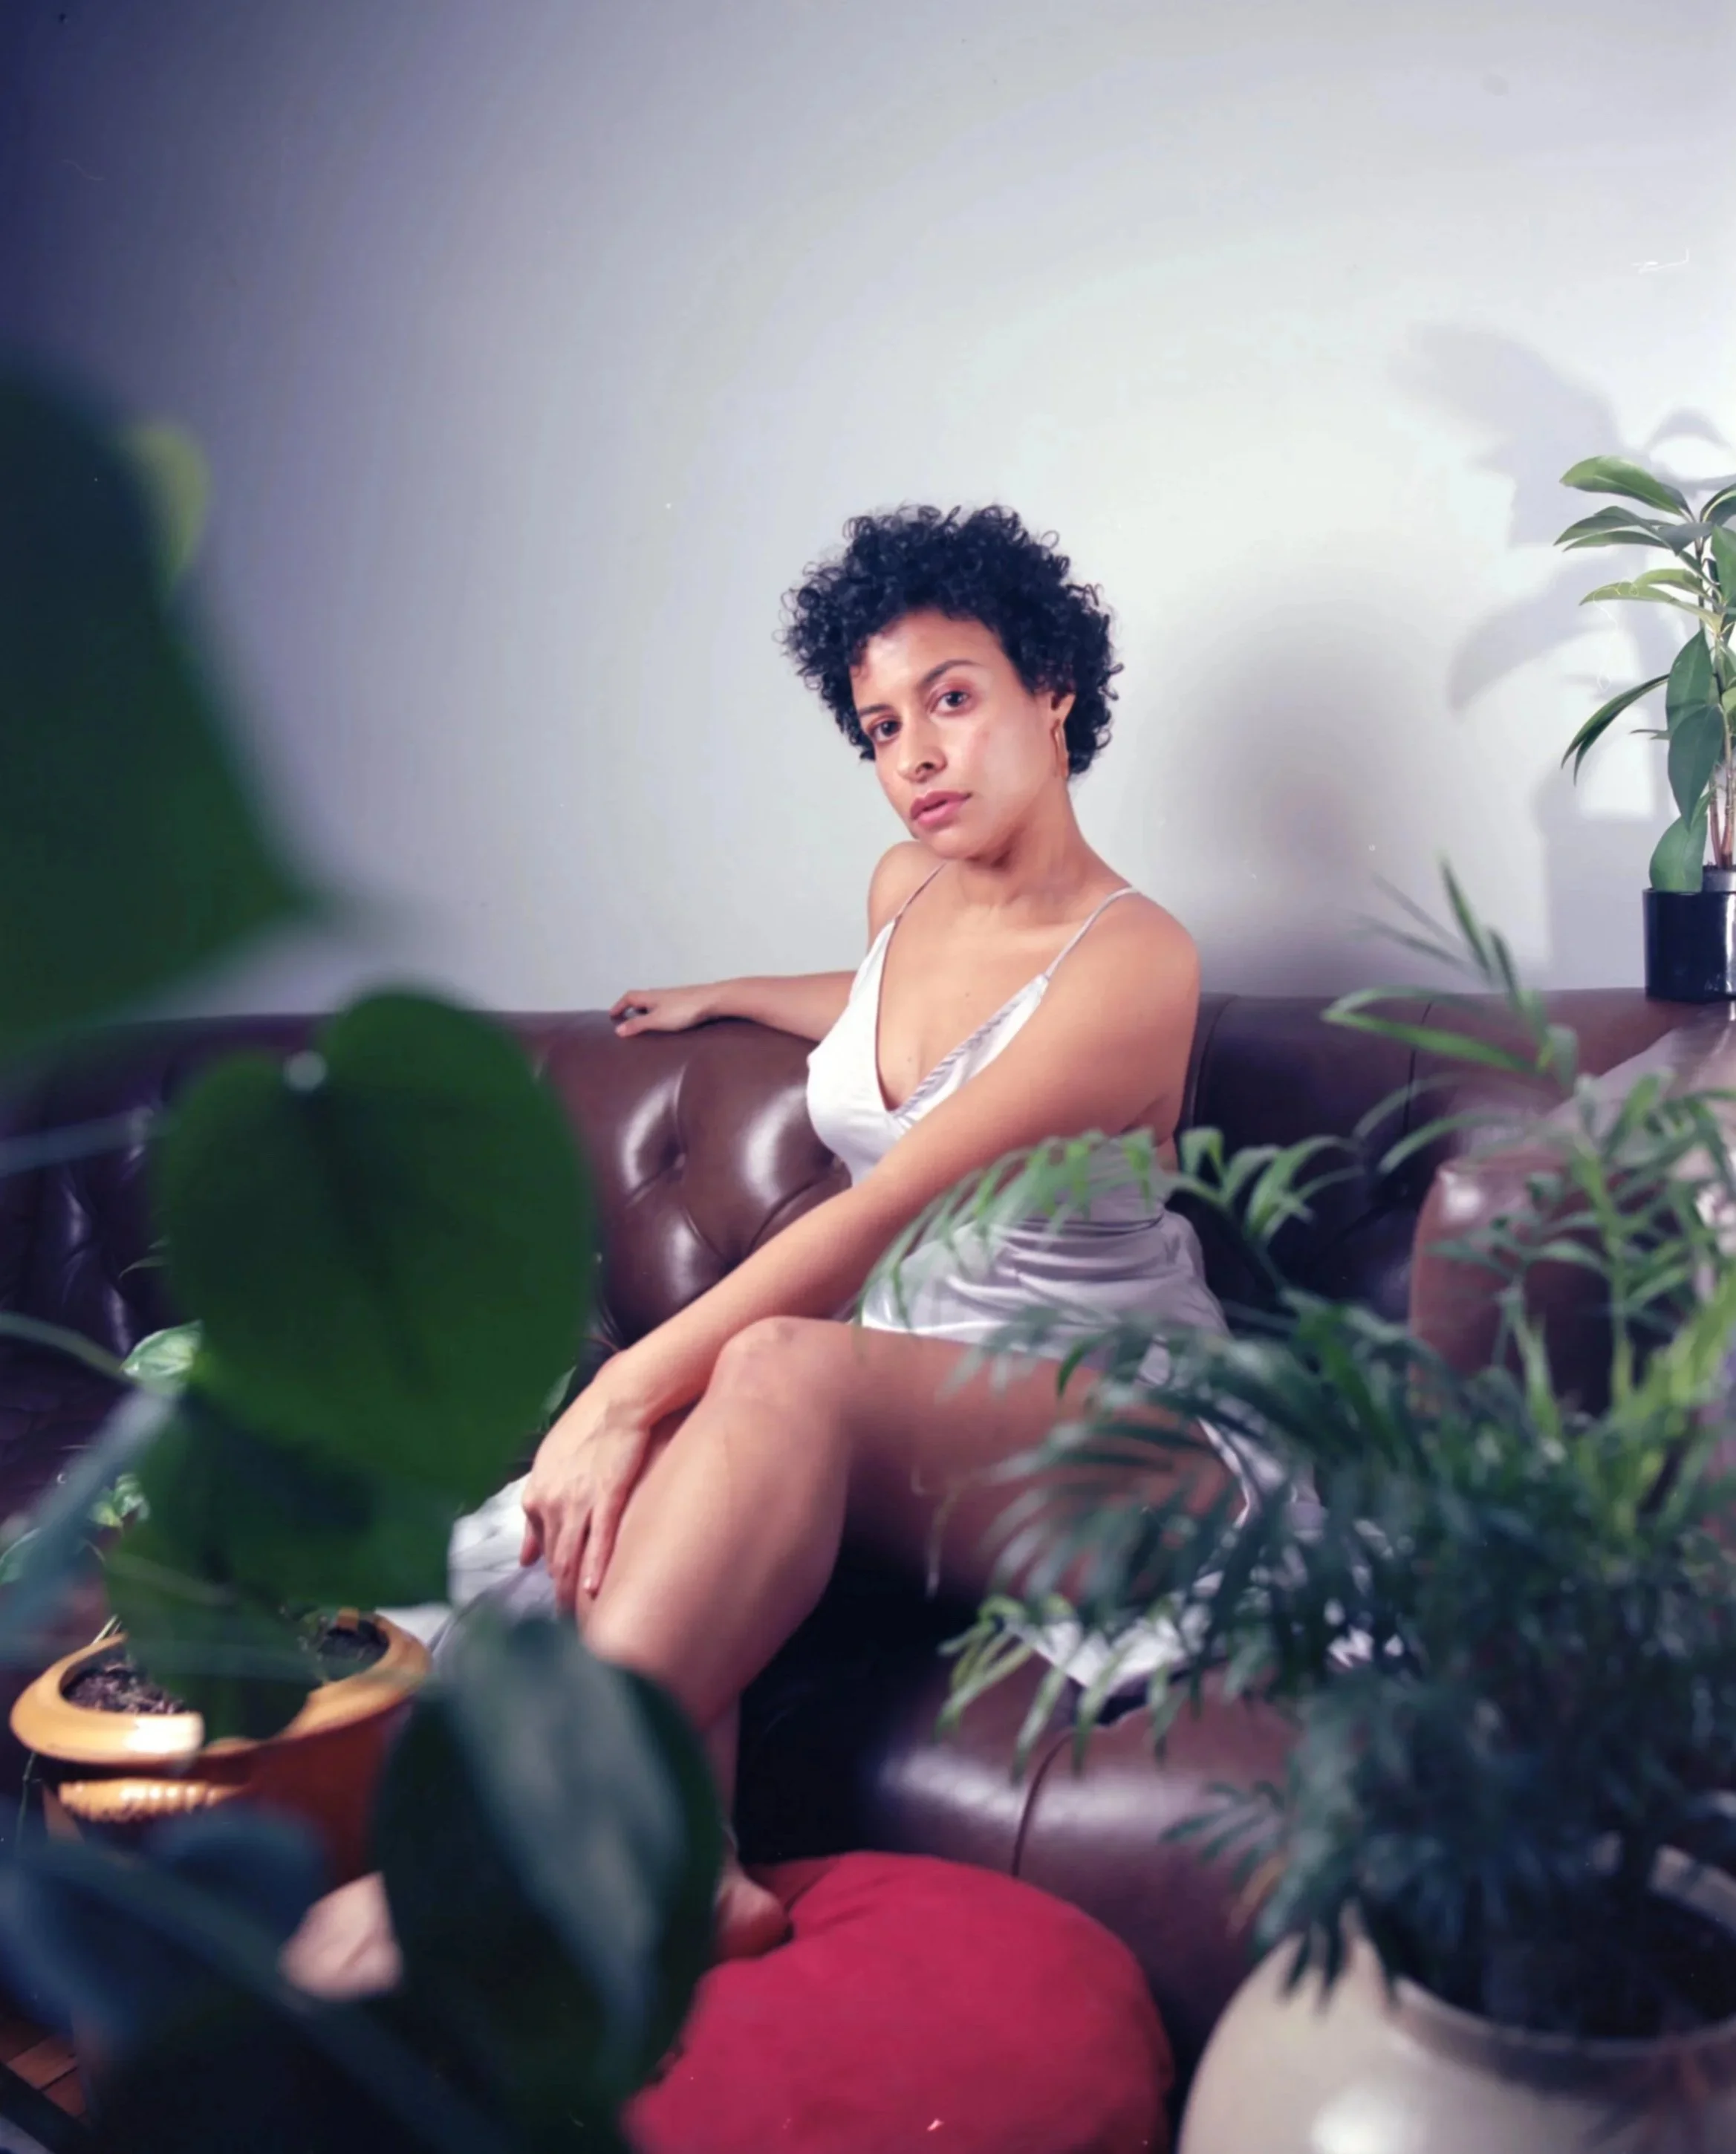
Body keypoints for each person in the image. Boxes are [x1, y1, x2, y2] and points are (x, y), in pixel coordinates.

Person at [281, 502, 1229, 1996]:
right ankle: (690, 1868)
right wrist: (727, 993)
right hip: (917, 1399)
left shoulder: (1138, 958)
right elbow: (897, 1011)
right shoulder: (904, 886)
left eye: (953, 698)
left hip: (1116, 1422)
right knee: (679, 1458)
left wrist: (620, 1391)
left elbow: (886, 1202)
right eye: (881, 726)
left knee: (762, 1370)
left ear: (1053, 687)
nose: (915, 754)